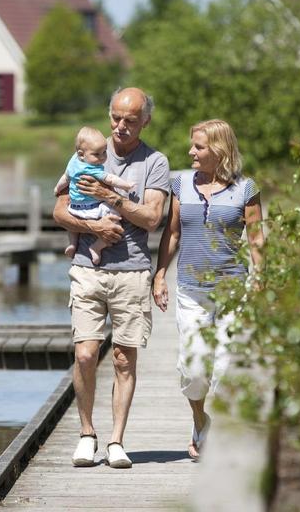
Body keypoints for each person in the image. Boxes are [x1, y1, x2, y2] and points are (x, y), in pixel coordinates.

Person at [53, 87, 170, 469]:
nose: (120, 127)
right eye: (116, 118)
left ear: (145, 121)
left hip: (133, 271)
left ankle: (116, 441)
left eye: (130, 121)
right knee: (85, 354)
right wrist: (98, 228)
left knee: (123, 359)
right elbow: (59, 211)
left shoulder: (155, 162)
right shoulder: (84, 152)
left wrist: (111, 196)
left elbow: (152, 218)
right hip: (87, 269)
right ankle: (87, 434)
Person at [152, 119, 264, 461]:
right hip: (190, 290)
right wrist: (159, 275)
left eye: (198, 147)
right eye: (193, 146)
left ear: (219, 150)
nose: (191, 152)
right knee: (194, 367)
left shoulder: (245, 188)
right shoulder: (180, 184)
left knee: (228, 367)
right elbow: (171, 234)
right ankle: (201, 422)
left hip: (233, 290)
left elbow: (256, 239)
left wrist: (260, 278)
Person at [54, 126, 135, 264]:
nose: (102, 157)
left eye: (104, 152)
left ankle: (72, 244)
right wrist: (126, 185)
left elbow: (65, 178)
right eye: (97, 154)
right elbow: (110, 179)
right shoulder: (92, 169)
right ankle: (96, 247)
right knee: (116, 217)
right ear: (81, 154)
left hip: (74, 208)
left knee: (72, 226)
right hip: (93, 207)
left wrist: (57, 188)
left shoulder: (73, 162)